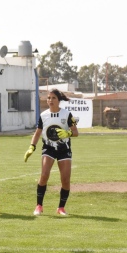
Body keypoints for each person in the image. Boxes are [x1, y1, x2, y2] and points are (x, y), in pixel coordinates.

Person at [24, 88, 79, 216]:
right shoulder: (43, 115)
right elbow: (37, 133)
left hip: (63, 149)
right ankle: (39, 206)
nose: (50, 100)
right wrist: (31, 146)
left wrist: (68, 133)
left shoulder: (67, 114)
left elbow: (76, 132)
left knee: (65, 179)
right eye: (49, 98)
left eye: (53, 98)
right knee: (44, 175)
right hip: (48, 148)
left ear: (59, 100)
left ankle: (61, 208)